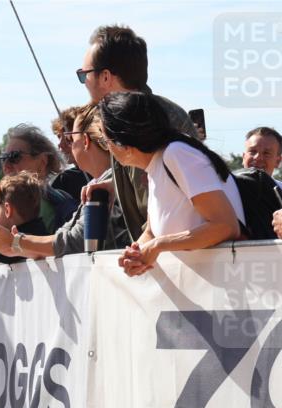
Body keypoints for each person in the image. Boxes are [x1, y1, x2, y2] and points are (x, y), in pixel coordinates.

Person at [99, 92, 243, 276]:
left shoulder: (176, 154)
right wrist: (134, 255)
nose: (108, 149)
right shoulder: (156, 165)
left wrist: (158, 245)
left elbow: (225, 226)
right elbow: (152, 232)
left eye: (105, 141)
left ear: (123, 142)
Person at [78, 25, 197, 241]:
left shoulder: (135, 122)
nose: (84, 83)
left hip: (176, 259)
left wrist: (137, 258)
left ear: (105, 77)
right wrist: (115, 184)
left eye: (83, 75)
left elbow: (155, 212)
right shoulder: (150, 111)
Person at [0, 104, 128, 258]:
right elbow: (64, 236)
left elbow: (74, 242)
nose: (6, 165)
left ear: (86, 140)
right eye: (3, 158)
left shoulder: (113, 185)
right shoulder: (98, 185)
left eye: (69, 139)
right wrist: (10, 245)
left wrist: (14, 242)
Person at [0, 124, 77, 233]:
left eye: (14, 156)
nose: (6, 165)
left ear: (42, 161)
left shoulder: (61, 204)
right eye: (3, 158)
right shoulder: (63, 199)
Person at [50, 106, 91, 200]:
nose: (60, 144)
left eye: (68, 138)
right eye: (59, 137)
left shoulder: (114, 172)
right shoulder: (63, 180)